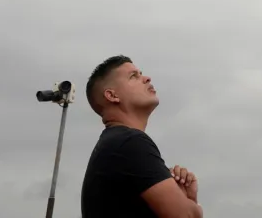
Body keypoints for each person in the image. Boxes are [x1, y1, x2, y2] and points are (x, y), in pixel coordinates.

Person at [80, 55, 203, 218]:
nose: (146, 78)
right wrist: (191, 204)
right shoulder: (129, 142)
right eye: (133, 76)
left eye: (141, 73)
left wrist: (184, 198)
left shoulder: (115, 144)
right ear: (112, 95)